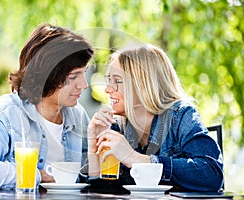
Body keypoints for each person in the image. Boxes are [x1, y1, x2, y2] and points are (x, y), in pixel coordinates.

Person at [0, 22, 94, 189]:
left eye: (84, 73)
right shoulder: (4, 114)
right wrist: (35, 175)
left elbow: (88, 176)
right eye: (74, 76)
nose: (84, 84)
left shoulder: (78, 115)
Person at [87, 44, 223, 192]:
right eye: (109, 81)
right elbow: (103, 193)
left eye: (117, 81)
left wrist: (136, 158)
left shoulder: (180, 116)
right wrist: (93, 149)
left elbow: (212, 174)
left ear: (144, 84)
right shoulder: (117, 127)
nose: (107, 89)